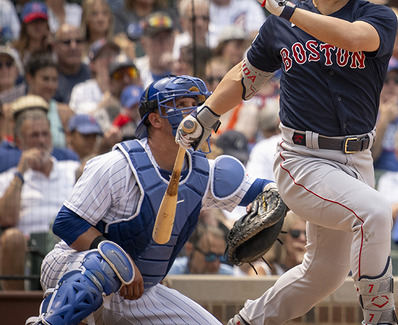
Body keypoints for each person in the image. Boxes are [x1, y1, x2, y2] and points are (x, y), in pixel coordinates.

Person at [177, 0, 398, 324]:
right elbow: (245, 76)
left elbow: (353, 38)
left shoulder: (378, 16)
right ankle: (380, 318)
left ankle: (248, 322)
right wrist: (207, 115)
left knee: (323, 273)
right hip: (303, 159)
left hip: (357, 159)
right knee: (375, 213)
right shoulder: (281, 26)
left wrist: (289, 12)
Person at [24, 75, 275, 324]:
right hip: (73, 268)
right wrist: (118, 260)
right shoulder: (118, 164)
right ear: (154, 119)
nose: (194, 112)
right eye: (182, 104)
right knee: (102, 266)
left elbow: (264, 190)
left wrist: (276, 197)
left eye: (195, 104)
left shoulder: (204, 173)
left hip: (140, 290)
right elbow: (67, 223)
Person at [0, 108, 81, 290]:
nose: (42, 141)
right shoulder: (8, 179)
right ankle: (16, 312)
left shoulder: (71, 169)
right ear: (20, 142)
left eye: (45, 134)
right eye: (34, 136)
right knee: (12, 238)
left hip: (68, 249)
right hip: (28, 254)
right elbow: (6, 219)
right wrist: (21, 172)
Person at [24, 52, 74, 149]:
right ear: (29, 78)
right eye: (45, 79)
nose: (50, 85)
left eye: (54, 80)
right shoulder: (10, 110)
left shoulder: (65, 113)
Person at [168, 222, 242, 276]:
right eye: (210, 256)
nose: (216, 265)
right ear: (189, 249)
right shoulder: (169, 273)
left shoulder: (228, 277)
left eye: (221, 257)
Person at [249, 211, 308, 276]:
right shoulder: (262, 270)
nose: (303, 238)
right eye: (295, 233)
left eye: (306, 234)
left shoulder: (308, 268)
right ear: (281, 236)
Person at [52, 23, 90, 104]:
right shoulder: (48, 77)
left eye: (78, 41)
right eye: (67, 42)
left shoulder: (93, 74)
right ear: (55, 47)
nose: (73, 47)